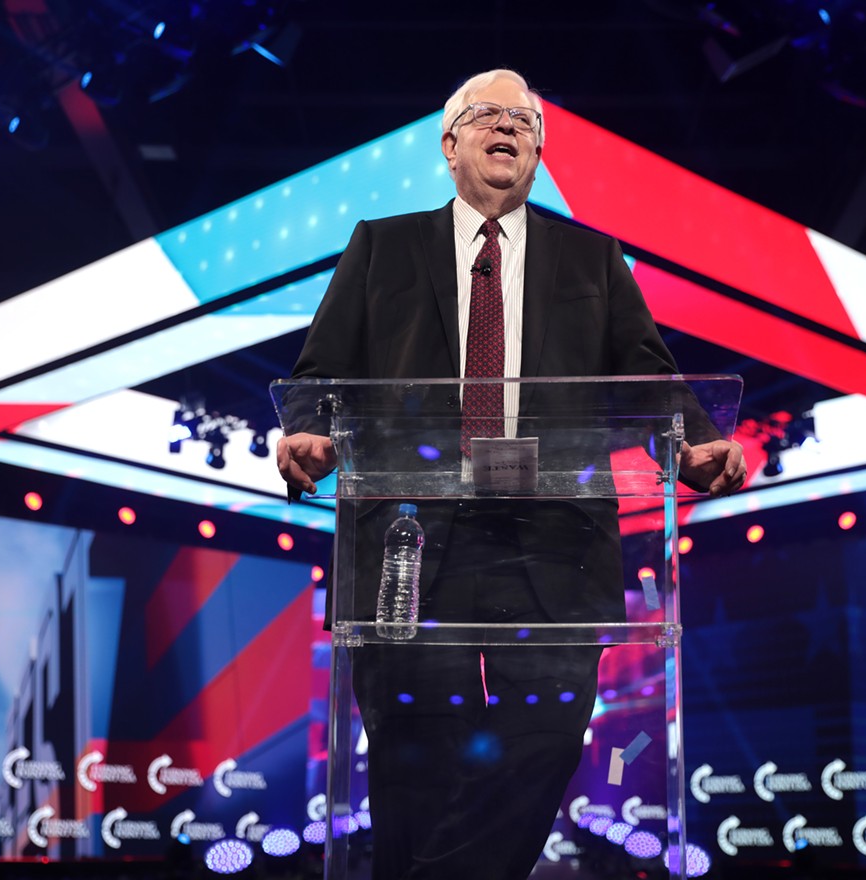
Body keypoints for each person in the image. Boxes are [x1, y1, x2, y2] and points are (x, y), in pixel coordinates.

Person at [277, 69, 745, 880]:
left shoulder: (592, 257)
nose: (509, 126)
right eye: (487, 114)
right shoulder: (381, 246)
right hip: (409, 541)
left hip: (554, 542)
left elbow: (648, 378)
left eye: (524, 119)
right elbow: (322, 373)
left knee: (548, 739)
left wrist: (695, 447)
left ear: (536, 151)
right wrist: (307, 435)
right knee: (414, 757)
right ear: (449, 143)